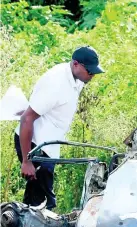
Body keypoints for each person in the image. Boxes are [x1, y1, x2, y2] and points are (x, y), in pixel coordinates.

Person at [14, 45, 104, 210]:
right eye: (89, 71)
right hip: (35, 145)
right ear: (75, 64)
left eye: (93, 72)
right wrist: (26, 161)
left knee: (36, 200)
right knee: (43, 203)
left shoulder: (77, 77)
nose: (91, 75)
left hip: (48, 146)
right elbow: (27, 118)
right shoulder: (56, 83)